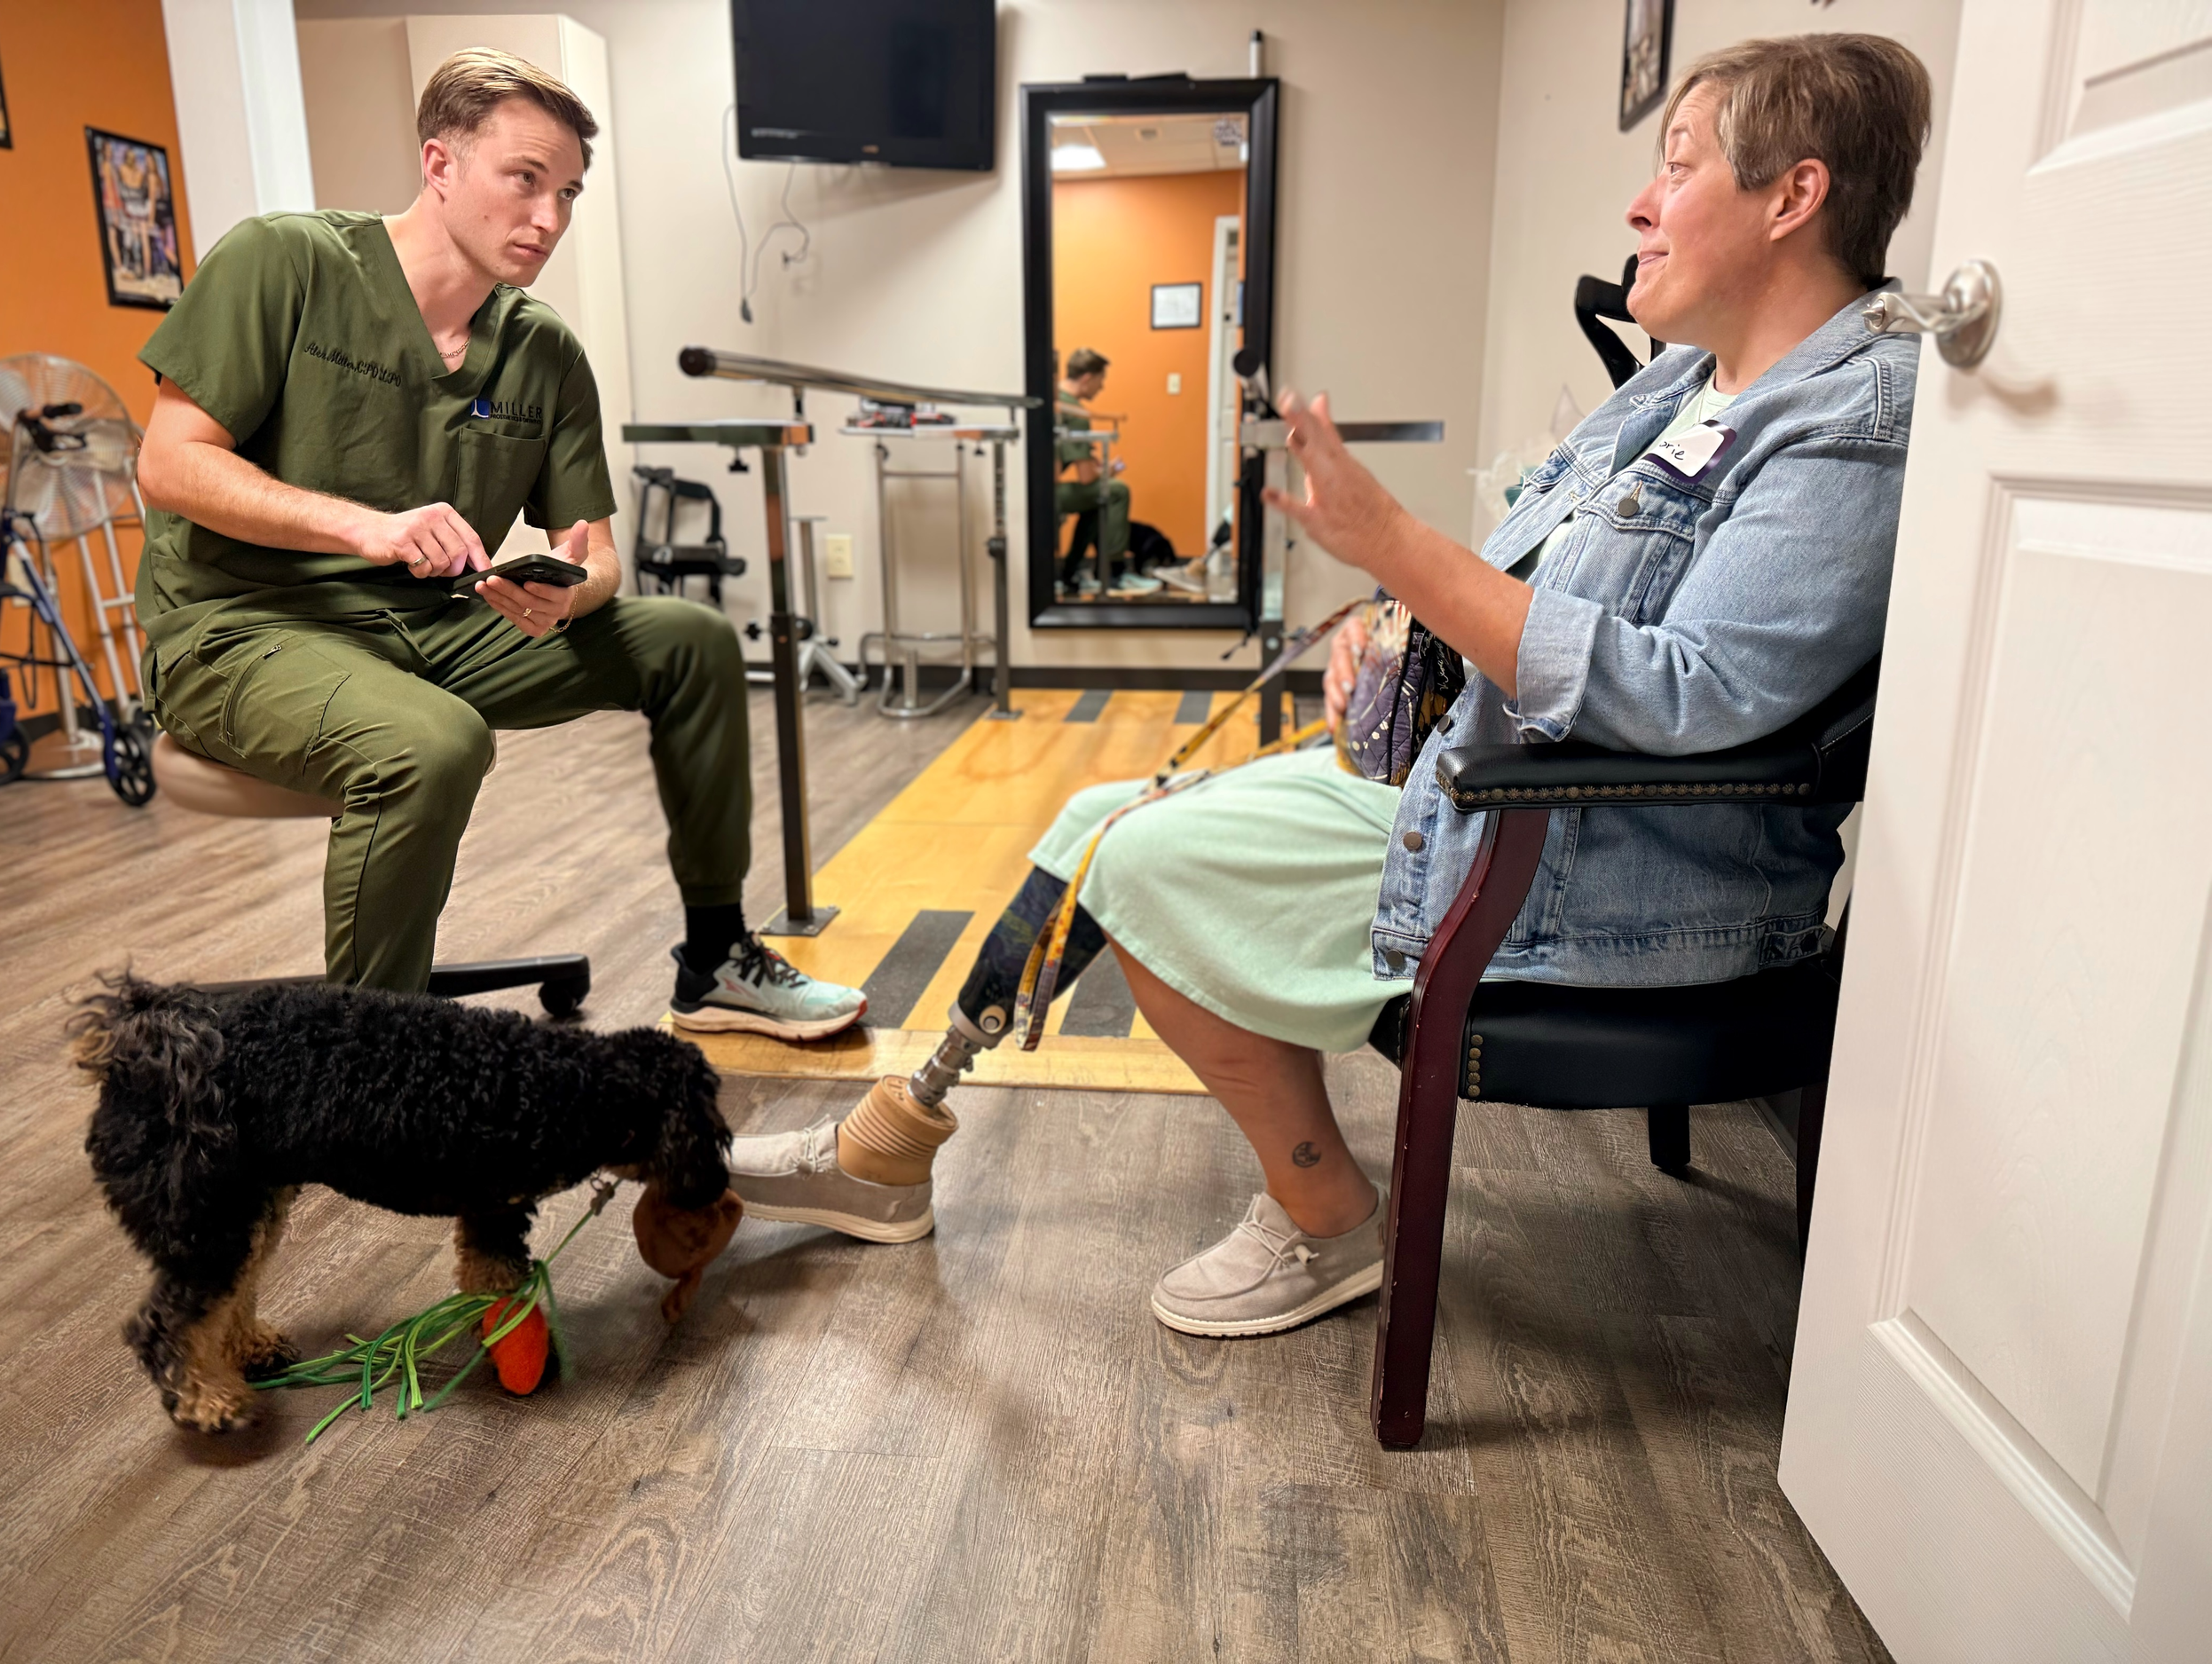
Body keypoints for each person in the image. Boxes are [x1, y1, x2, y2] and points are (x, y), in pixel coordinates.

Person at [725, 33, 1932, 1288]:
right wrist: (1405, 643)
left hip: (1592, 855)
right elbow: (1544, 596)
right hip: (1491, 787)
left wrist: (1402, 553)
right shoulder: (1682, 383)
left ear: (1794, 196)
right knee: (1098, 810)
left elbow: (1699, 692)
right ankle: (903, 1130)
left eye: (1677, 167)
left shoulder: (1854, 417)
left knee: (1135, 863)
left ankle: (1322, 1213)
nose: (1638, 203)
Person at [132, 49, 865, 1040]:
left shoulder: (544, 350)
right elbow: (171, 466)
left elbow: (595, 551)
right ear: (439, 165)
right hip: (241, 630)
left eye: (567, 191)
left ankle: (715, 959)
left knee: (687, 640)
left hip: (431, 625)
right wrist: (368, 526)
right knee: (434, 743)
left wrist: (577, 592)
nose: (551, 219)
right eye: (524, 180)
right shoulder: (286, 262)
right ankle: (373, 1063)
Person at [1054, 348, 1157, 597]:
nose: (1102, 388)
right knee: (1117, 490)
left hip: (1040, 487)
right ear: (1087, 378)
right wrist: (1108, 472)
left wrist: (1097, 469)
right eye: (1101, 381)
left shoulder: (1057, 399)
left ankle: (1070, 574)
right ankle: (1116, 573)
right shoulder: (1076, 413)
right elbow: (1087, 477)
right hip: (1048, 493)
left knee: (1098, 499)